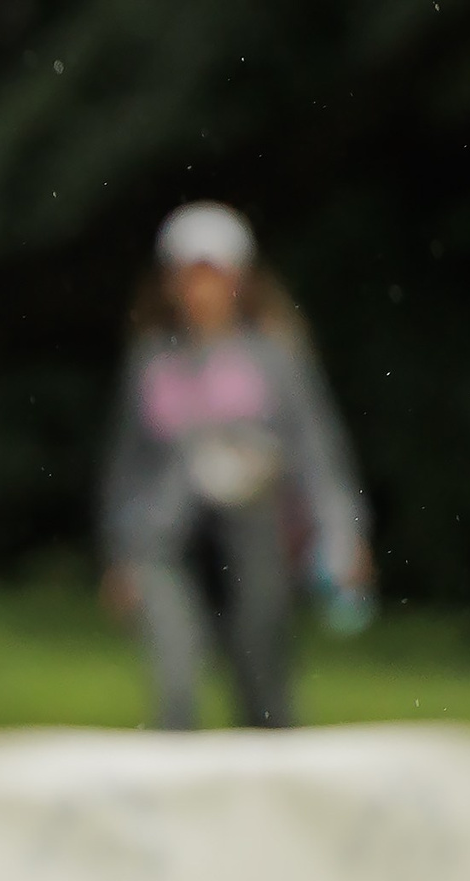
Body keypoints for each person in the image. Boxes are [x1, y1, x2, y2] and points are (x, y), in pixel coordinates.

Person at [101, 202, 372, 730]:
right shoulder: (151, 360)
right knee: (176, 681)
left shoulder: (276, 357)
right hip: (165, 542)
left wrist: (342, 534)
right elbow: (125, 468)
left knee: (262, 679)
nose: (202, 291)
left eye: (215, 276)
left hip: (254, 538)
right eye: (189, 277)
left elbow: (317, 454)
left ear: (240, 281)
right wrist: (121, 554)